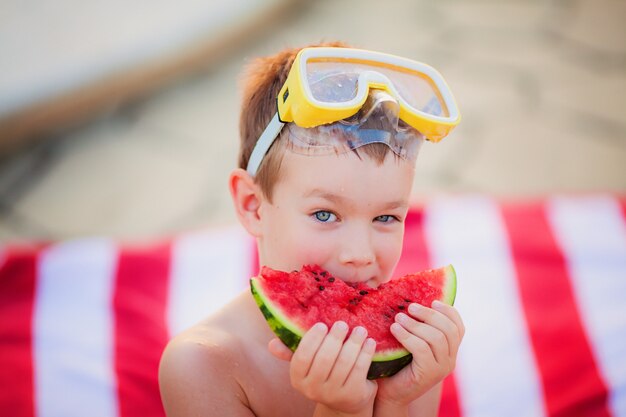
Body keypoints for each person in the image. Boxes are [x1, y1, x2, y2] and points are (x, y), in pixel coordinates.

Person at [159, 41, 465, 417]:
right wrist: (340, 411)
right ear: (252, 206)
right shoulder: (201, 365)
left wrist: (398, 400)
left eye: (386, 217)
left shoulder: (409, 346)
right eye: (324, 214)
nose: (360, 254)